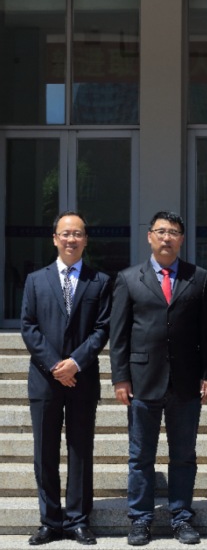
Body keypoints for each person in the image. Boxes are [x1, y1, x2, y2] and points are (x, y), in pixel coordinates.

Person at [109, 211, 207, 546]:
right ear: (150, 236)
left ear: (182, 238)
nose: (167, 238)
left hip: (186, 381)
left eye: (173, 232)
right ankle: (140, 519)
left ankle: (181, 517)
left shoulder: (199, 277)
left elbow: (206, 332)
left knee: (183, 455)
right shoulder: (129, 278)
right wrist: (120, 377)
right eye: (161, 231)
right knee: (141, 456)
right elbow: (119, 334)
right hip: (142, 380)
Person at [21, 211, 111, 546]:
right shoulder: (35, 280)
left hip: (82, 379)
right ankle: (50, 520)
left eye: (77, 234)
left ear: (85, 240)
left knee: (80, 450)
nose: (71, 239)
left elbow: (102, 329)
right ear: (55, 239)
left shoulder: (100, 281)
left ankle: (77, 520)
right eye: (65, 233)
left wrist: (75, 363)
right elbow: (28, 327)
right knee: (45, 451)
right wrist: (55, 366)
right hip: (44, 380)